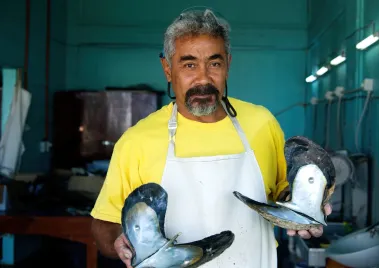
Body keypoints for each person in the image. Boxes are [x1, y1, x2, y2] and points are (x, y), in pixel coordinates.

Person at [90, 8, 331, 268]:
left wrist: (308, 204)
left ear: (228, 64)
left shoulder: (262, 123)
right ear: (168, 69)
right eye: (189, 64)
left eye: (214, 64)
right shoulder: (137, 141)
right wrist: (122, 243)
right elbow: (104, 225)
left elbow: (284, 192)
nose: (203, 78)